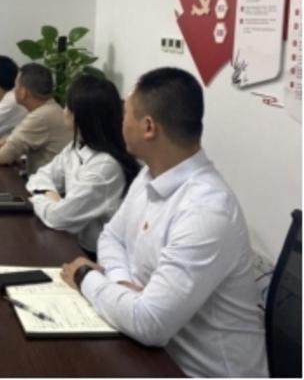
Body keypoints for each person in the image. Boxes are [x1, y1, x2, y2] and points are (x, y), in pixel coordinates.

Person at [59, 68, 267, 377]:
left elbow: (150, 324)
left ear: (148, 127)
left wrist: (85, 276)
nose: (120, 122)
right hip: (150, 354)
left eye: (125, 114)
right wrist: (122, 284)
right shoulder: (150, 174)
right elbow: (111, 238)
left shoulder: (206, 210)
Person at [26, 75, 140, 258]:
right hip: (75, 243)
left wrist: (40, 198)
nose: (63, 111)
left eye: (67, 106)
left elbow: (59, 218)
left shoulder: (105, 167)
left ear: (80, 116)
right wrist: (49, 194)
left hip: (100, 257)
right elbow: (41, 175)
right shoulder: (78, 146)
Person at [0, 63, 71, 174]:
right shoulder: (52, 108)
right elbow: (12, 140)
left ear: (23, 92)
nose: (13, 90)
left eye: (15, 86)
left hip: (46, 183)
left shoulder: (40, 117)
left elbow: (2, 158)